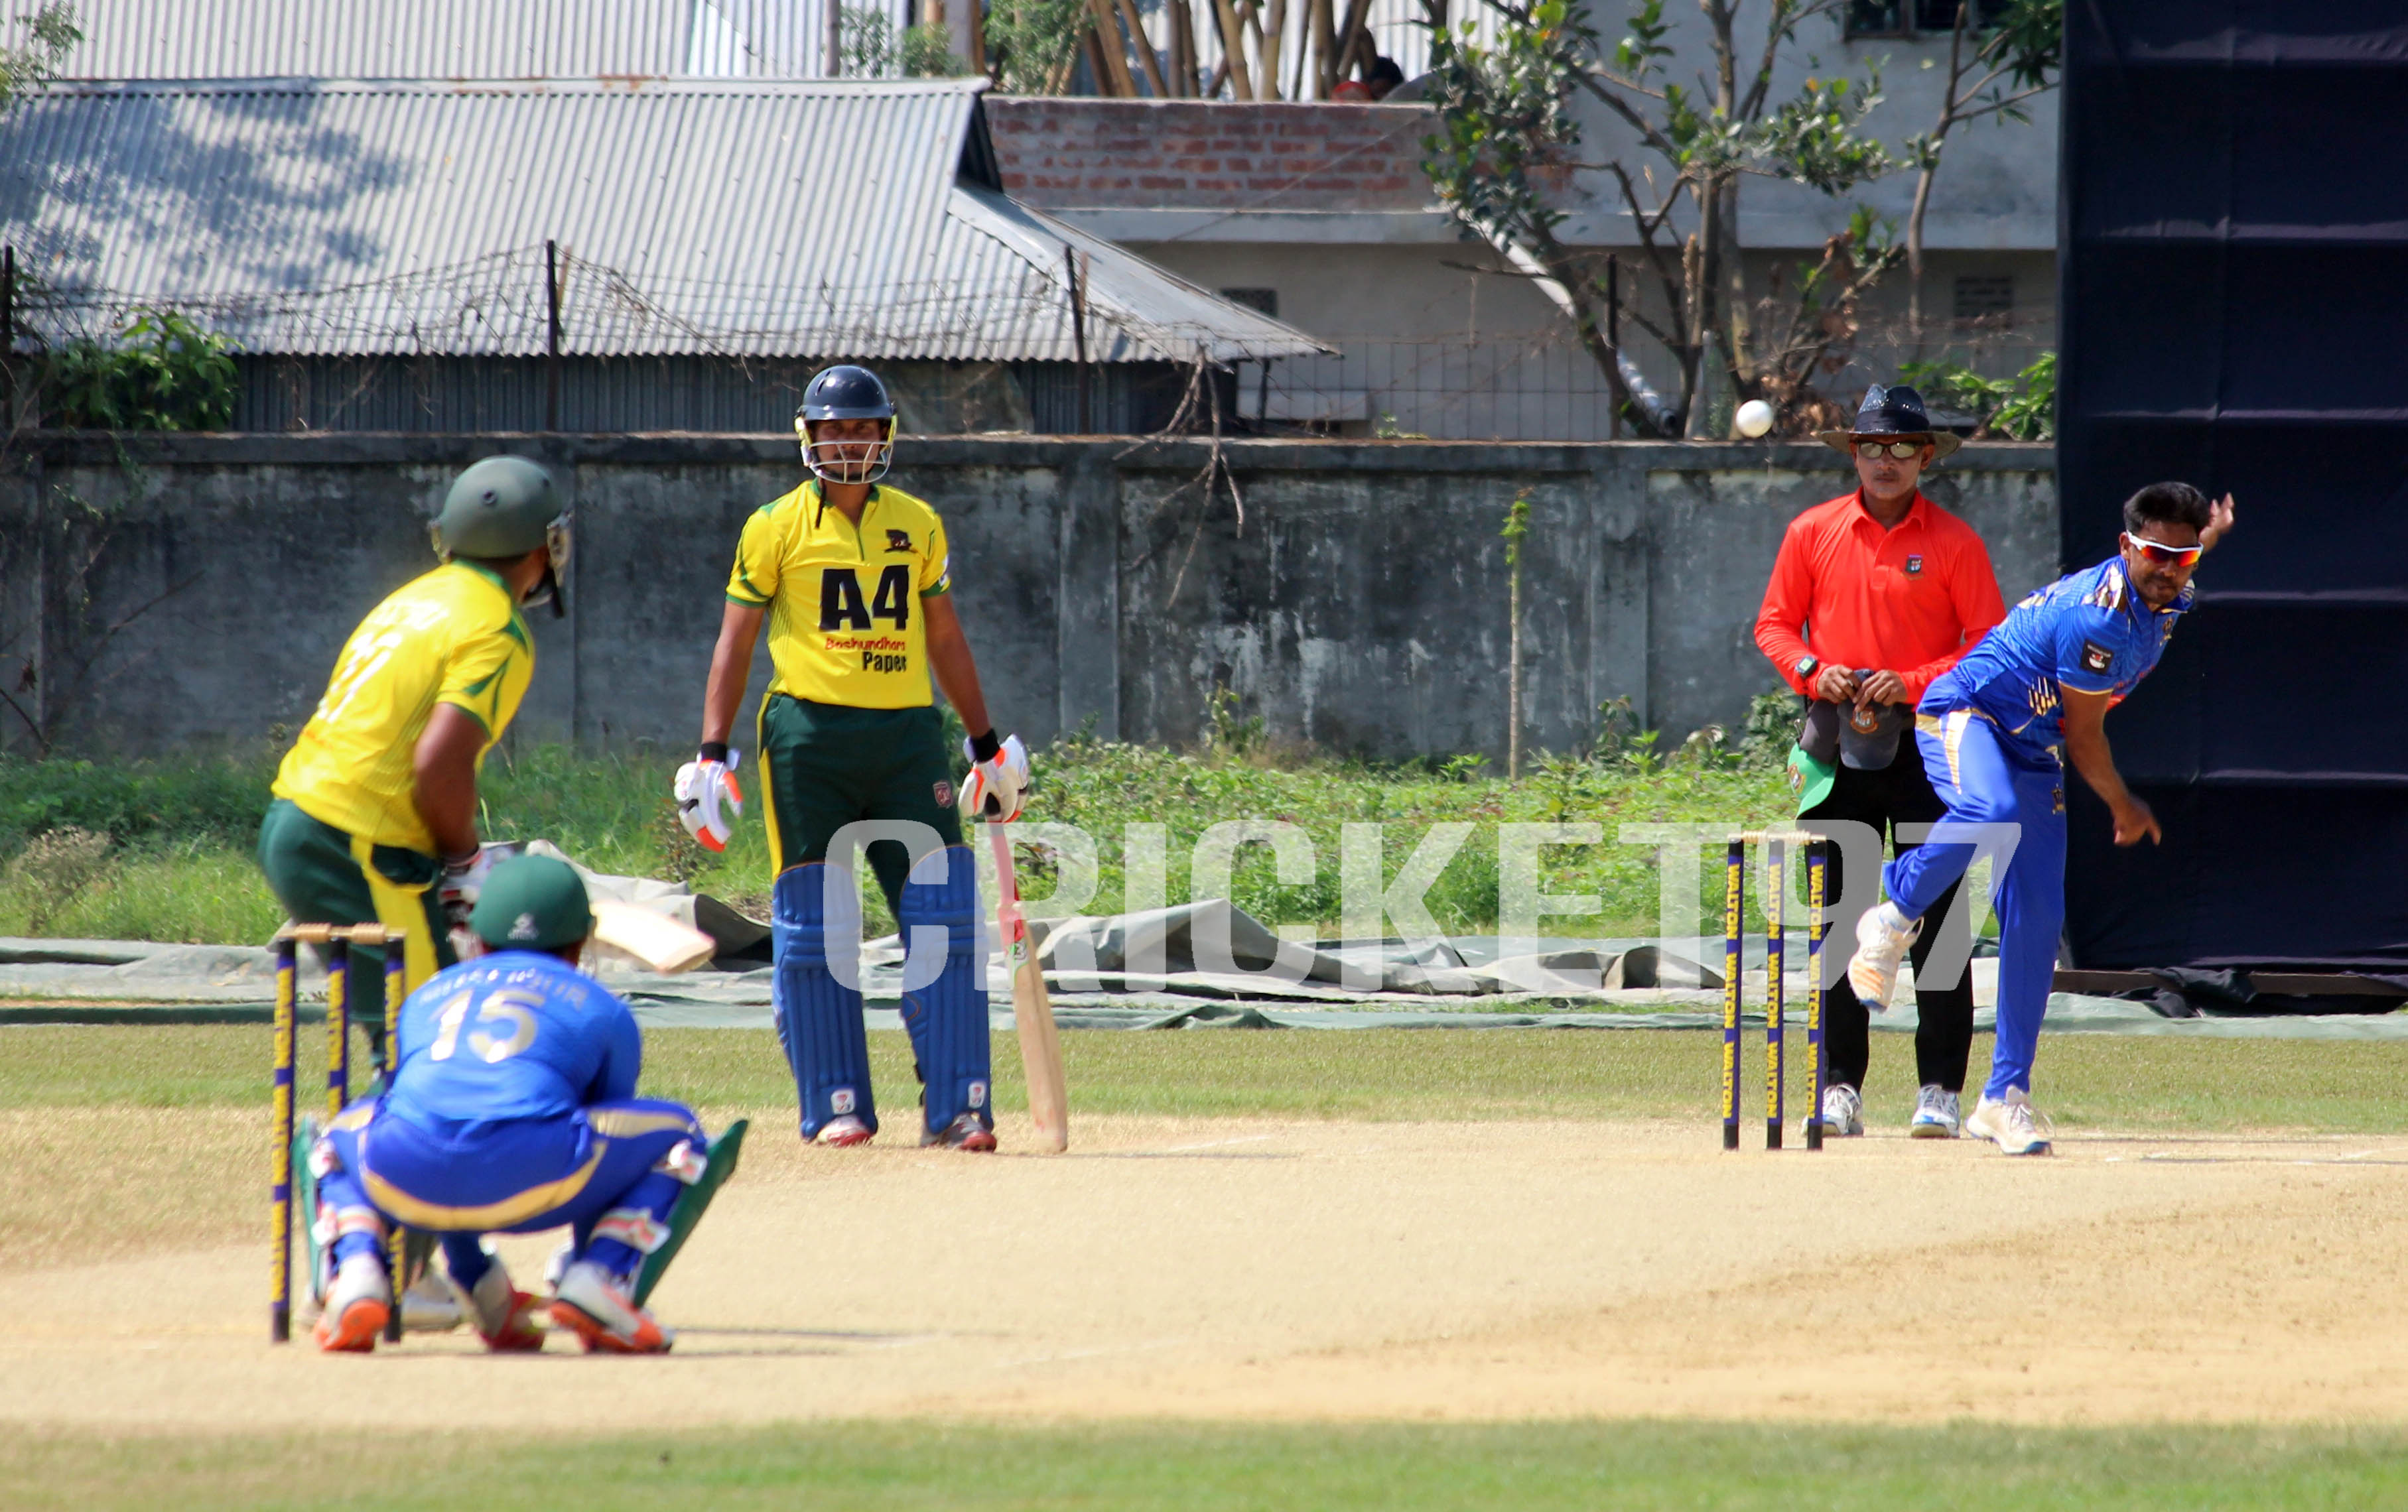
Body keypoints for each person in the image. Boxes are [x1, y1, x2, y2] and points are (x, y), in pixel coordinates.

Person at [679, 364, 1029, 1152]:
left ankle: (959, 1106)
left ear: (887, 437)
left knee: (943, 918)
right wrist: (710, 751)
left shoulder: (919, 524)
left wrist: (985, 745)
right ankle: (839, 1102)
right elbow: (735, 643)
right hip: (807, 741)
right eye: (834, 429)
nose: (849, 442)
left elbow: (943, 636)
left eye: (863, 428)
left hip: (908, 738)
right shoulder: (772, 527)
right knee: (816, 928)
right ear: (808, 438)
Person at [1846, 481, 2236, 1155]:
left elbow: (2184, 551)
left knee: (2035, 918)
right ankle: (1893, 912)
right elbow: (2086, 739)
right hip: (1968, 715)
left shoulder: (2174, 589)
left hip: (2031, 747)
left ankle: (2003, 1099)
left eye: (2184, 558)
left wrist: (2207, 539)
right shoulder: (2099, 620)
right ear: (2125, 547)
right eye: (2156, 555)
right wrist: (2124, 804)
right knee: (1989, 809)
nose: (2170, 569)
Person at [310, 854, 724, 1354]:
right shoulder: (603, 1009)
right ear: (579, 946)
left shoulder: (424, 997)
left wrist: (478, 1281)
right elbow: (603, 1128)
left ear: (479, 939)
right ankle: (600, 1277)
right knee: (679, 1132)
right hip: (540, 1177)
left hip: (406, 1178)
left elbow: (442, 1127)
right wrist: (582, 1258)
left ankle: (358, 1272)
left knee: (337, 1136)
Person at [1756, 383, 2006, 1140]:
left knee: (1936, 920)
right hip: (1838, 744)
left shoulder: (1956, 543)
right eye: (1873, 447)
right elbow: (1774, 626)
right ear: (1855, 454)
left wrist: (1916, 681)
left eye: (1902, 448)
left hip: (1932, 743)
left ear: (1925, 456)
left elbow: (1988, 644)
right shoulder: (1813, 531)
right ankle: (1839, 1086)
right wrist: (1810, 670)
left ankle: (1939, 1090)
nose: (1887, 461)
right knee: (1840, 914)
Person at [257, 454, 568, 1032]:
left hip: (296, 820)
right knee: (436, 1035)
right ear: (543, 546)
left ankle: (374, 1121)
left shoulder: (412, 599)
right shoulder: (497, 629)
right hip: (354, 839)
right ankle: (383, 1124)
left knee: (412, 1033)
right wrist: (465, 860)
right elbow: (439, 764)